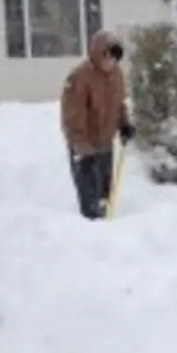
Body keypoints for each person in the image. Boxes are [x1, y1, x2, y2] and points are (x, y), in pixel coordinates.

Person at [60, 30, 136, 219]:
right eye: (107, 56)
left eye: (115, 57)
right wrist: (82, 149)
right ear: (97, 54)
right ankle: (90, 239)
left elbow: (119, 104)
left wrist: (124, 124)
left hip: (105, 144)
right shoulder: (79, 77)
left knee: (105, 198)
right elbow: (72, 117)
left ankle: (107, 236)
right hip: (84, 148)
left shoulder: (116, 75)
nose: (111, 61)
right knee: (90, 204)